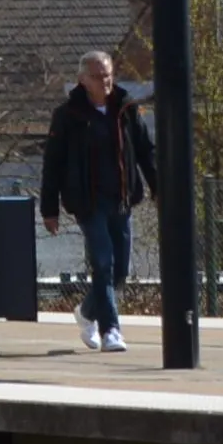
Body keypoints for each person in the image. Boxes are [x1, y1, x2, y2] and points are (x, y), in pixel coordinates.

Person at [40, 48, 152, 350]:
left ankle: (86, 312)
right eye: (97, 76)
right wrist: (49, 209)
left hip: (122, 198)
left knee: (119, 271)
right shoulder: (67, 116)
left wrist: (159, 187)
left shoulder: (126, 109)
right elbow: (53, 163)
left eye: (108, 75)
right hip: (88, 202)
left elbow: (144, 150)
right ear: (82, 80)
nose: (104, 81)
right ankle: (111, 331)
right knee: (102, 263)